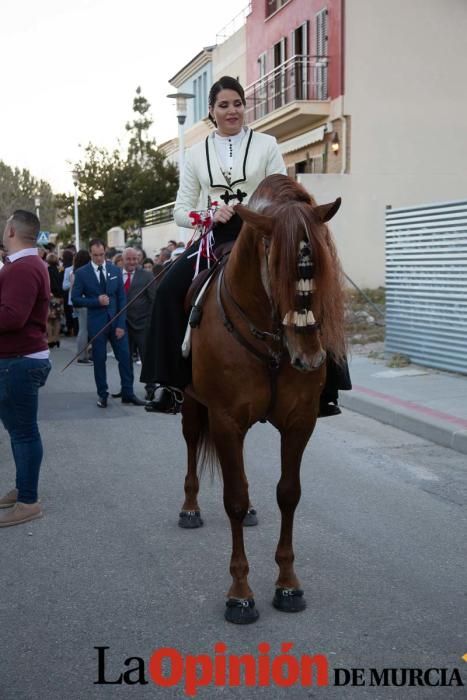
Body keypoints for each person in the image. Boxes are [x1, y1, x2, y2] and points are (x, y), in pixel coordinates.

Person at [142, 75, 286, 413]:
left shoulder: (268, 144)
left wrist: (255, 211)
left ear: (244, 107)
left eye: (237, 103)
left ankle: (326, 386)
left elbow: (282, 192)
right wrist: (208, 214)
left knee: (310, 280)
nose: (232, 110)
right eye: (224, 105)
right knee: (166, 290)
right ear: (212, 110)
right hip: (214, 239)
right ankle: (171, 384)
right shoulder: (194, 154)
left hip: (261, 234)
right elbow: (180, 211)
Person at [0, 210, 51, 527]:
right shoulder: (29, 264)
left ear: (11, 231)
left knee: (23, 432)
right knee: (21, 430)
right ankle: (24, 487)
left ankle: (28, 500)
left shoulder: (23, 267)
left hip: (18, 361)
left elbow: (11, 317)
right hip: (21, 359)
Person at [71, 238, 146, 407]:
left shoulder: (115, 270)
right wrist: (95, 301)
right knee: (99, 359)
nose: (99, 258)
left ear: (105, 252)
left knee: (125, 358)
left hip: (116, 322)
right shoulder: (82, 273)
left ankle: (128, 393)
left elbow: (121, 298)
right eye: (96, 255)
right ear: (90, 253)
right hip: (96, 323)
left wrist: (121, 324)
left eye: (102, 255)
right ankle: (102, 394)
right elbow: (75, 299)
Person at [111, 247, 156, 400]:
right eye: (128, 259)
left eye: (134, 259)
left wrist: (149, 322)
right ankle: (126, 388)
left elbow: (153, 300)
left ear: (138, 260)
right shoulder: (115, 275)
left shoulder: (147, 276)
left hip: (143, 325)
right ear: (122, 260)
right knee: (124, 359)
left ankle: (151, 388)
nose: (132, 262)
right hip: (123, 325)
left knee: (147, 358)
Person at [70, 249, 92, 364]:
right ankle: (82, 356)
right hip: (85, 302)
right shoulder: (84, 273)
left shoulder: (73, 272)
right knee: (84, 330)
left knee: (82, 329)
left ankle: (83, 354)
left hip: (77, 302)